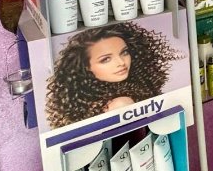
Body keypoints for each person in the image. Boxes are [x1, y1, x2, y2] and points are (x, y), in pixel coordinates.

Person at [45, 23, 182, 129]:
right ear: (86, 67)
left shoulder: (91, 101)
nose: (121, 62)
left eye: (124, 52)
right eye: (106, 59)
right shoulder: (120, 104)